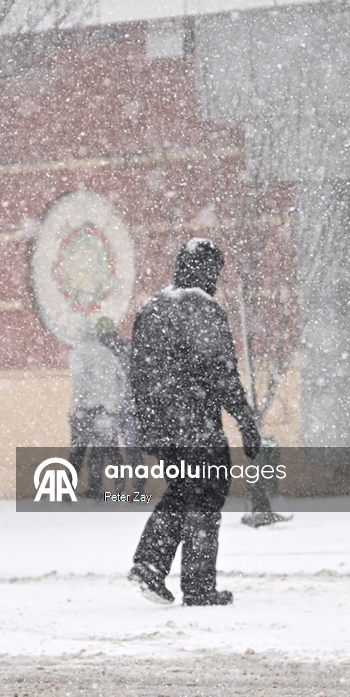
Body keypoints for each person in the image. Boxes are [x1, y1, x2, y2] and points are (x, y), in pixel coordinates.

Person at [127, 239, 260, 606]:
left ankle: (150, 564)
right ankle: (197, 586)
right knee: (206, 492)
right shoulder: (202, 308)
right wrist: (245, 420)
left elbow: (138, 375)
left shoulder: (152, 308)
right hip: (196, 424)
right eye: (214, 272)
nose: (215, 280)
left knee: (185, 489)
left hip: (163, 425)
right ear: (205, 270)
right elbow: (221, 372)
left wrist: (149, 427)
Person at [68, 316, 135, 499]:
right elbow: (120, 378)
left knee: (78, 453)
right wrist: (114, 402)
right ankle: (120, 489)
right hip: (105, 411)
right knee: (112, 452)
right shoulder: (105, 353)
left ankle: (71, 491)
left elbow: (80, 384)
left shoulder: (78, 354)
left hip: (85, 411)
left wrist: (75, 405)